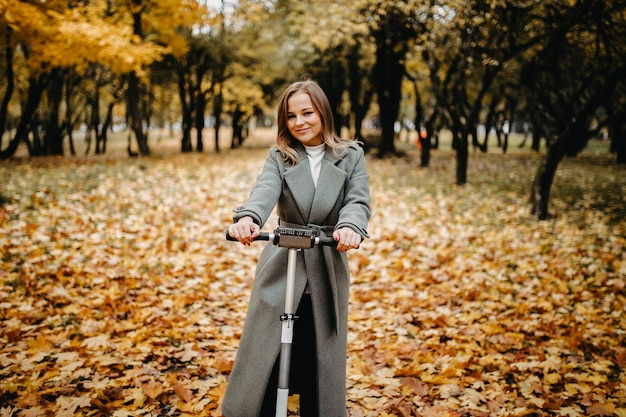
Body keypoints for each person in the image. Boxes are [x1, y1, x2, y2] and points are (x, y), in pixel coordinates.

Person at [221, 79, 371, 417]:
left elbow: (358, 201)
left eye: (307, 112)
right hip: (283, 258)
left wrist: (349, 227)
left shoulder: (350, 156)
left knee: (319, 351)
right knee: (266, 346)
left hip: (327, 258)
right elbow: (264, 191)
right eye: (291, 116)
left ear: (323, 113)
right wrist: (248, 218)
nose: (300, 122)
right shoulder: (281, 156)